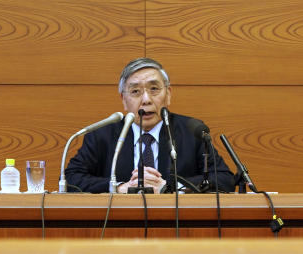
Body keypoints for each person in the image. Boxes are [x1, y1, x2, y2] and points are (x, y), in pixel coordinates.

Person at [65, 58, 235, 194]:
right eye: (135, 91)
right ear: (123, 100)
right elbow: (71, 178)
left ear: (168, 94)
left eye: (154, 89)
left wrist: (171, 187)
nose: (146, 99)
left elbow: (224, 179)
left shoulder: (192, 131)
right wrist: (118, 187)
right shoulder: (101, 135)